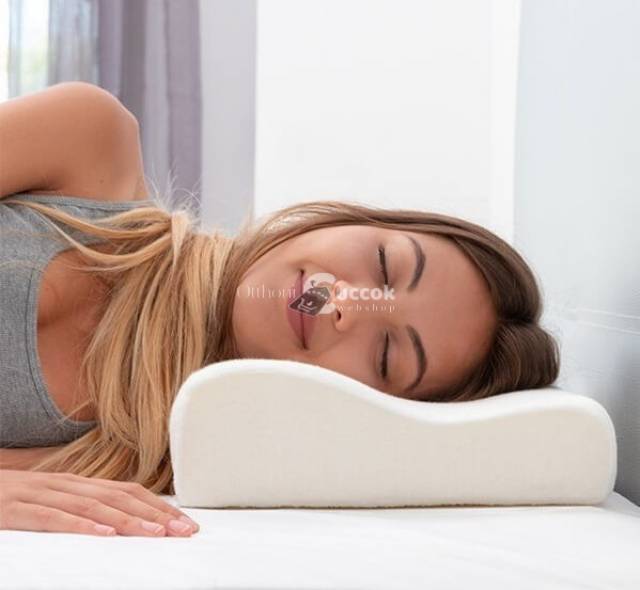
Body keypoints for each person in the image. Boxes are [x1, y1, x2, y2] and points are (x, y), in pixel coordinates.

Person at [0, 82, 560, 537]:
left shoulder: (126, 462)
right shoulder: (88, 140)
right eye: (385, 265)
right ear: (349, 219)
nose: (345, 305)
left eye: (386, 355)